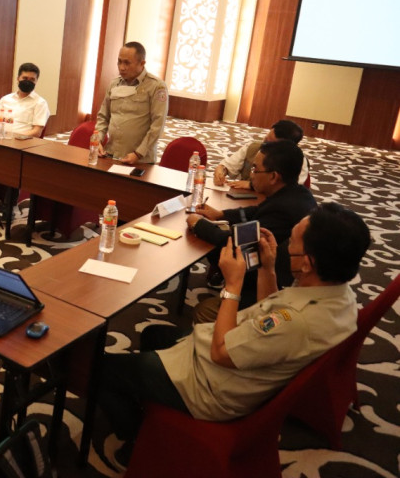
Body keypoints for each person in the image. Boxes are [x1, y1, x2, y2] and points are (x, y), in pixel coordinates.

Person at [98, 203, 370, 465]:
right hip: (239, 366)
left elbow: (221, 353)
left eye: (293, 241)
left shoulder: (296, 321)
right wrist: (268, 267)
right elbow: (270, 310)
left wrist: (233, 283)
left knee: (103, 370)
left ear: (308, 263)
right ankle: (152, 415)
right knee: (154, 334)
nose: (287, 244)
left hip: (212, 387)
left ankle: (135, 445)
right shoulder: (338, 294)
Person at [186, 139, 316, 321]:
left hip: (268, 285)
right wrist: (220, 214)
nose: (251, 175)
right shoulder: (296, 193)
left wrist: (196, 223)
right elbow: (256, 211)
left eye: (255, 169)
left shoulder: (284, 209)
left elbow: (234, 242)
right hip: (273, 271)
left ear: (273, 177)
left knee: (203, 310)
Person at [0, 62, 50, 209]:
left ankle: (9, 207)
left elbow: (37, 131)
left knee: (11, 168)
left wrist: (14, 137)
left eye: (32, 80)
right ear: (18, 78)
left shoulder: (40, 103)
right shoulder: (6, 99)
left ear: (36, 82)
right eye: (25, 77)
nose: (28, 81)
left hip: (21, 145)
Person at [94, 42, 168, 164]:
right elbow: (103, 116)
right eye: (119, 61)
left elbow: (157, 126)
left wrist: (138, 153)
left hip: (140, 159)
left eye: (127, 63)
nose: (122, 67)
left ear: (142, 63)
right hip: (111, 154)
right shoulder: (114, 84)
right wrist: (97, 141)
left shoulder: (156, 86)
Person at [213, 119, 310, 188]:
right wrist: (222, 170)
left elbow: (290, 190)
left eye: (270, 143)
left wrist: (251, 185)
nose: (265, 144)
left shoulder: (298, 161)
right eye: (266, 139)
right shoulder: (253, 147)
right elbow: (229, 166)